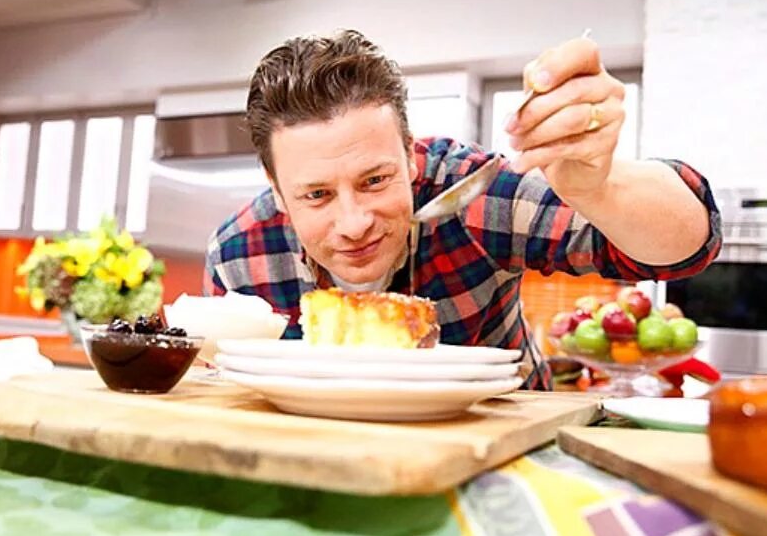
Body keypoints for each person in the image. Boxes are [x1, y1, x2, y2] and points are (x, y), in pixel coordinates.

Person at [202, 30, 721, 389]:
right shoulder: (238, 255)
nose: (354, 224)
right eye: (316, 195)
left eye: (376, 180)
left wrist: (599, 188)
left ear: (410, 155)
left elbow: (686, 249)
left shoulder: (470, 194)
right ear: (275, 186)